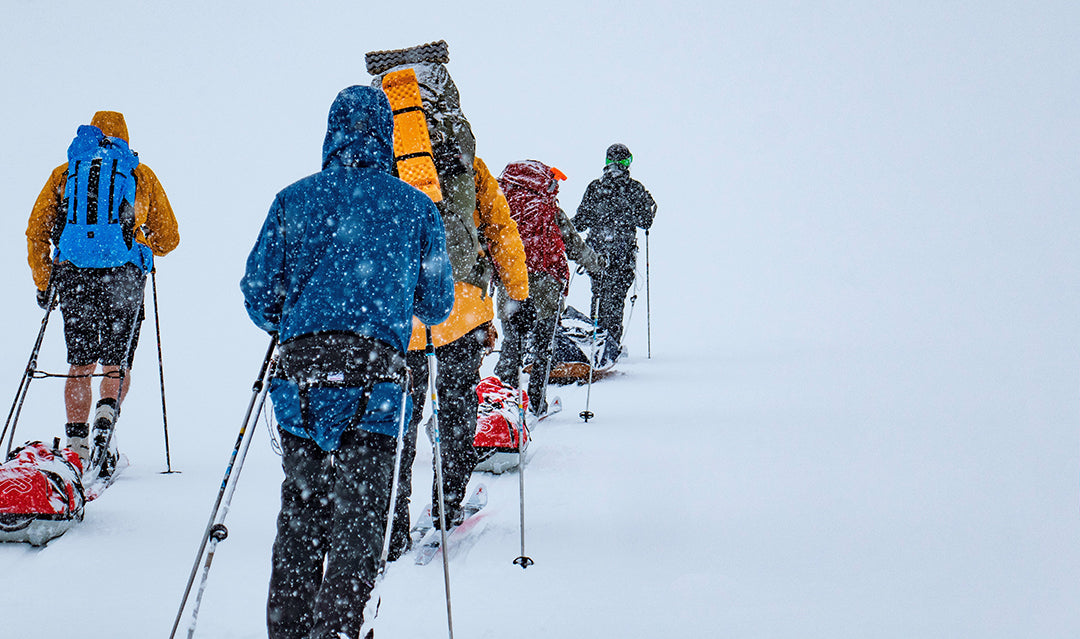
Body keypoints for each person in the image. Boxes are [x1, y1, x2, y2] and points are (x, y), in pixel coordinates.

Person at [240, 85, 454, 639]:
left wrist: (296, 319)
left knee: (303, 509)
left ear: (331, 131)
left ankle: (288, 631)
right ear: (385, 135)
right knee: (360, 518)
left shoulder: (293, 199)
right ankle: (338, 629)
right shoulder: (415, 206)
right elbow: (436, 305)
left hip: (300, 375)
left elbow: (260, 291)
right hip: (376, 374)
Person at [389, 155, 529, 557]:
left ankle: (391, 520)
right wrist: (517, 294)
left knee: (399, 416)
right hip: (461, 307)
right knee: (455, 407)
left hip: (398, 313)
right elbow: (501, 229)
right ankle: (447, 503)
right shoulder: (468, 163)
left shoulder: (382, 160)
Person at [26, 110, 179, 473]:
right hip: (124, 277)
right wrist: (141, 243)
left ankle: (76, 444)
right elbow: (169, 237)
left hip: (75, 276)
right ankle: (105, 427)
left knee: (79, 363)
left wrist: (44, 280)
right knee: (116, 362)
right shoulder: (138, 175)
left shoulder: (65, 174)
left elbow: (37, 230)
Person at [494, 160, 603, 415]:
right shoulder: (548, 209)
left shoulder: (500, 207)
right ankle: (536, 402)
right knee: (544, 348)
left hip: (510, 287)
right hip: (546, 289)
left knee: (512, 346)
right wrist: (597, 265)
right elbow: (575, 246)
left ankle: (504, 404)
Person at [573, 143, 656, 354]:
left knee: (599, 296)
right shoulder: (634, 188)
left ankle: (597, 342)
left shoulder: (595, 187)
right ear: (627, 162)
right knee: (615, 299)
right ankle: (610, 345)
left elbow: (581, 221)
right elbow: (645, 221)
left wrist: (562, 227)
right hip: (622, 254)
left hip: (596, 254)